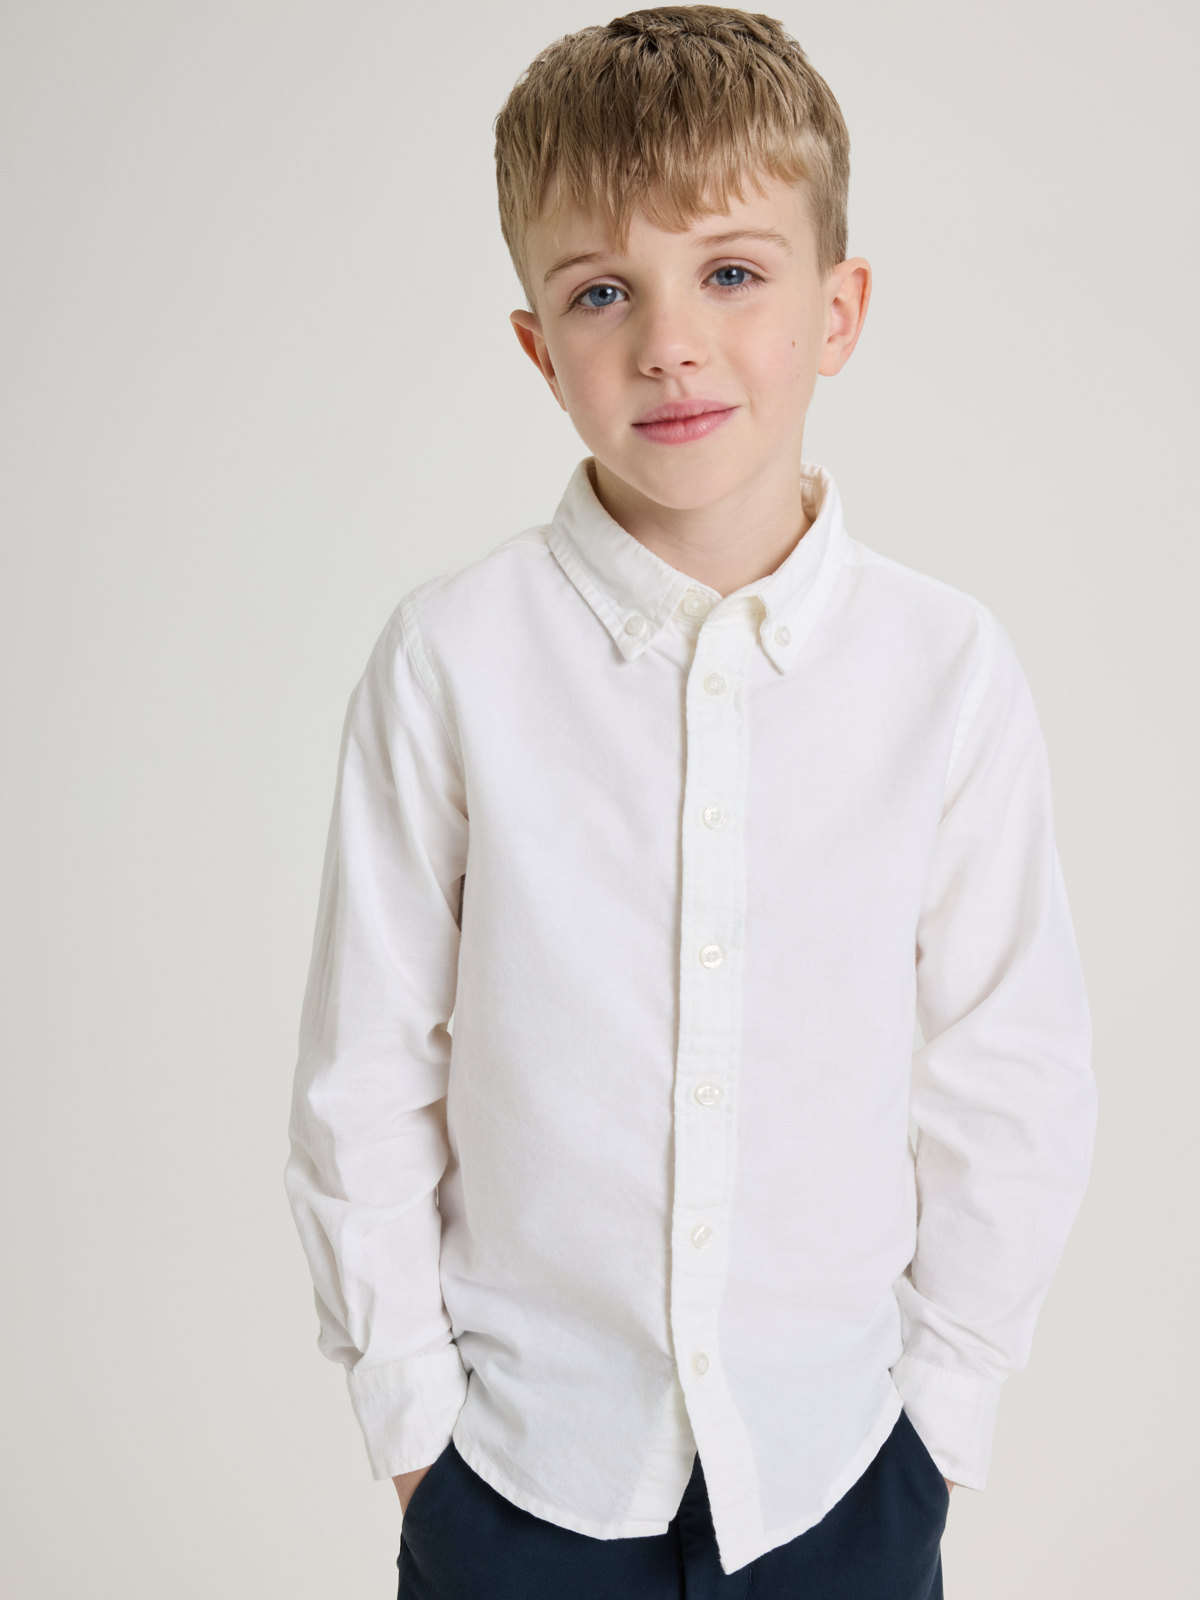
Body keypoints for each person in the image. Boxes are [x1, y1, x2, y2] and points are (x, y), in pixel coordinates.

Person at [283, 7, 1098, 1596]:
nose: (669, 341)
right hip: (520, 1474)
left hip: (839, 1472)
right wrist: (414, 1431)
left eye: (731, 272)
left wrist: (941, 1418)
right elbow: (364, 1067)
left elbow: (1009, 1063)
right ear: (539, 346)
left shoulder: (945, 669)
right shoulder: (452, 659)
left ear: (837, 310)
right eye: (603, 292)